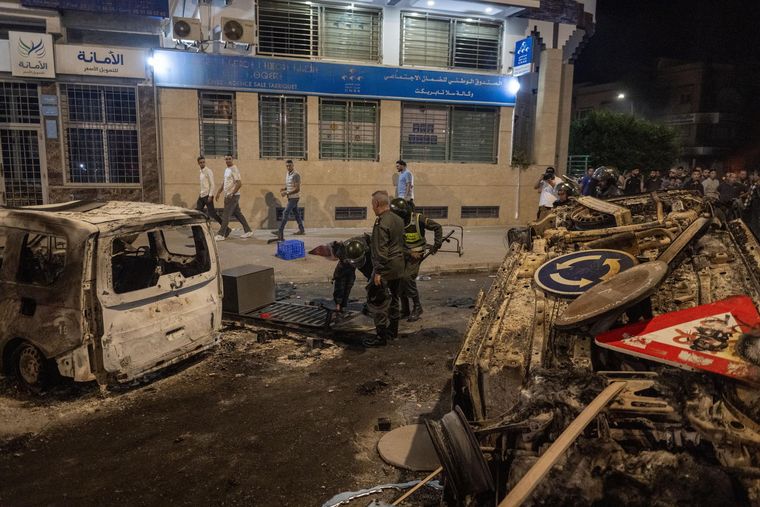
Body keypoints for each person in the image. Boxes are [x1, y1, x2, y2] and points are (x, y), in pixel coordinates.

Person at [363, 190, 406, 347]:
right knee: (394, 298)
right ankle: (392, 332)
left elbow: (381, 249)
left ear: (377, 204)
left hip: (386, 267)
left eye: (372, 204)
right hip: (399, 266)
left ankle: (381, 337)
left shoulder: (381, 222)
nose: (372, 208)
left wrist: (378, 271)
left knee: (378, 300)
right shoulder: (398, 219)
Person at [390, 198, 442, 322]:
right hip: (404, 253)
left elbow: (437, 227)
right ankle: (405, 309)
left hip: (417, 253)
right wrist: (408, 252)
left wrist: (436, 245)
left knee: (407, 277)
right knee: (398, 278)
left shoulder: (419, 219)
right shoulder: (396, 222)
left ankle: (417, 307)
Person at [215, 155, 253, 241]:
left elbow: (239, 183)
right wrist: (219, 192)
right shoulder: (227, 169)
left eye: (229, 159)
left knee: (226, 215)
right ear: (225, 160)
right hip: (229, 195)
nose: (228, 160)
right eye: (226, 159)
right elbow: (225, 182)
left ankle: (221, 234)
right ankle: (248, 231)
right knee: (237, 214)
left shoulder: (234, 169)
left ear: (232, 159)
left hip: (232, 196)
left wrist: (232, 193)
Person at [331, 234, 373, 312]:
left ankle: (373, 302)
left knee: (373, 280)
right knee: (342, 281)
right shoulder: (345, 249)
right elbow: (340, 277)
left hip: (367, 259)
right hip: (347, 262)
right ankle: (339, 304)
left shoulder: (371, 249)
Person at [273, 160, 305, 241]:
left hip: (294, 198)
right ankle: (301, 230)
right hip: (291, 197)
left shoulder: (296, 175)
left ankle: (280, 231)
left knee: (285, 212)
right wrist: (284, 188)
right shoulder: (288, 174)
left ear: (293, 165)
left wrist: (286, 193)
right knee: (296, 214)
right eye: (287, 166)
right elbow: (290, 185)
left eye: (290, 165)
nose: (288, 167)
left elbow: (297, 189)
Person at [195, 156, 221, 225]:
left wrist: (210, 195)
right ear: (198, 163)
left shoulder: (208, 171)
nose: (202, 164)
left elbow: (212, 184)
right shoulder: (201, 172)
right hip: (202, 195)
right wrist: (201, 193)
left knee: (212, 213)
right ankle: (199, 229)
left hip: (207, 196)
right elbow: (203, 185)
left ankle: (225, 228)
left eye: (203, 162)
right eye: (201, 162)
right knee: (198, 212)